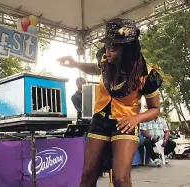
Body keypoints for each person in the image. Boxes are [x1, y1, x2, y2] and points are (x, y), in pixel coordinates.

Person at [58, 18, 163, 187]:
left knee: (120, 179)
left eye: (113, 48)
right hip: (99, 121)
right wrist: (75, 64)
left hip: (125, 123)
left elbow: (155, 109)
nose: (107, 52)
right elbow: (95, 68)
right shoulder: (106, 61)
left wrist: (136, 119)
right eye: (107, 46)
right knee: (87, 176)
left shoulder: (146, 74)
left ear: (127, 49)